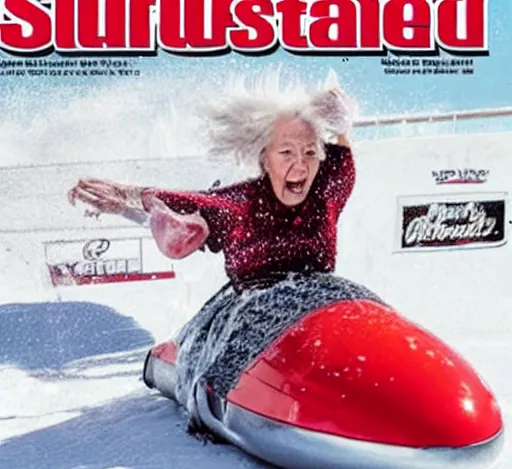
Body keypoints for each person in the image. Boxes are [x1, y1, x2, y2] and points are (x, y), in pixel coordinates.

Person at [69, 76, 381, 430]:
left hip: (317, 300)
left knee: (361, 305)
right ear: (265, 160)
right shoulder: (242, 203)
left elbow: (341, 154)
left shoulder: (324, 192)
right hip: (250, 306)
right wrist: (126, 197)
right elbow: (184, 203)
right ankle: (172, 365)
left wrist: (340, 125)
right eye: (287, 153)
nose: (301, 165)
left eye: (310, 152)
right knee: (195, 362)